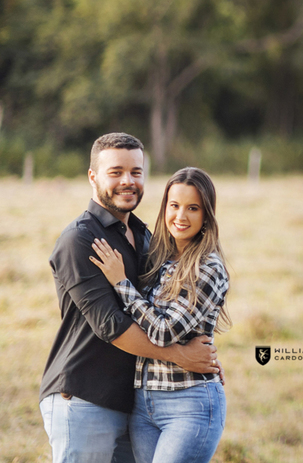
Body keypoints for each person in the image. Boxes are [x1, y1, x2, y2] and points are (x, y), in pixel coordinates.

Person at [39, 132, 219, 463]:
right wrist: (181, 356)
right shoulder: (80, 240)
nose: (128, 181)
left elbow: (168, 309)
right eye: (116, 172)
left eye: (136, 172)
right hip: (84, 398)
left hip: (135, 400)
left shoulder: (145, 236)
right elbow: (112, 325)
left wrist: (204, 359)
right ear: (93, 177)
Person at [89, 166, 230, 463]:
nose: (181, 216)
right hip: (143, 404)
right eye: (174, 205)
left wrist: (121, 283)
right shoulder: (156, 258)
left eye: (193, 208)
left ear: (206, 215)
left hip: (189, 402)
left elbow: (163, 332)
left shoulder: (208, 267)